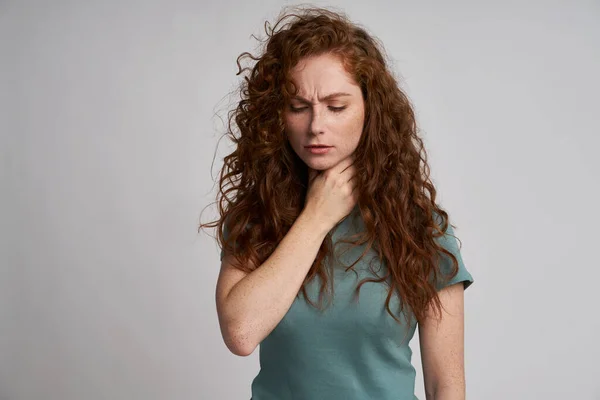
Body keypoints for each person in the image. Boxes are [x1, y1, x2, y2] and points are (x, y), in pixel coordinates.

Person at [201, 5, 474, 400]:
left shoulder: (420, 227)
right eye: (299, 107)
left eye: (336, 106)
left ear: (370, 111)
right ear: (278, 114)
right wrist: (316, 217)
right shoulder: (259, 217)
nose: (316, 125)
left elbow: (446, 386)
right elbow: (241, 332)